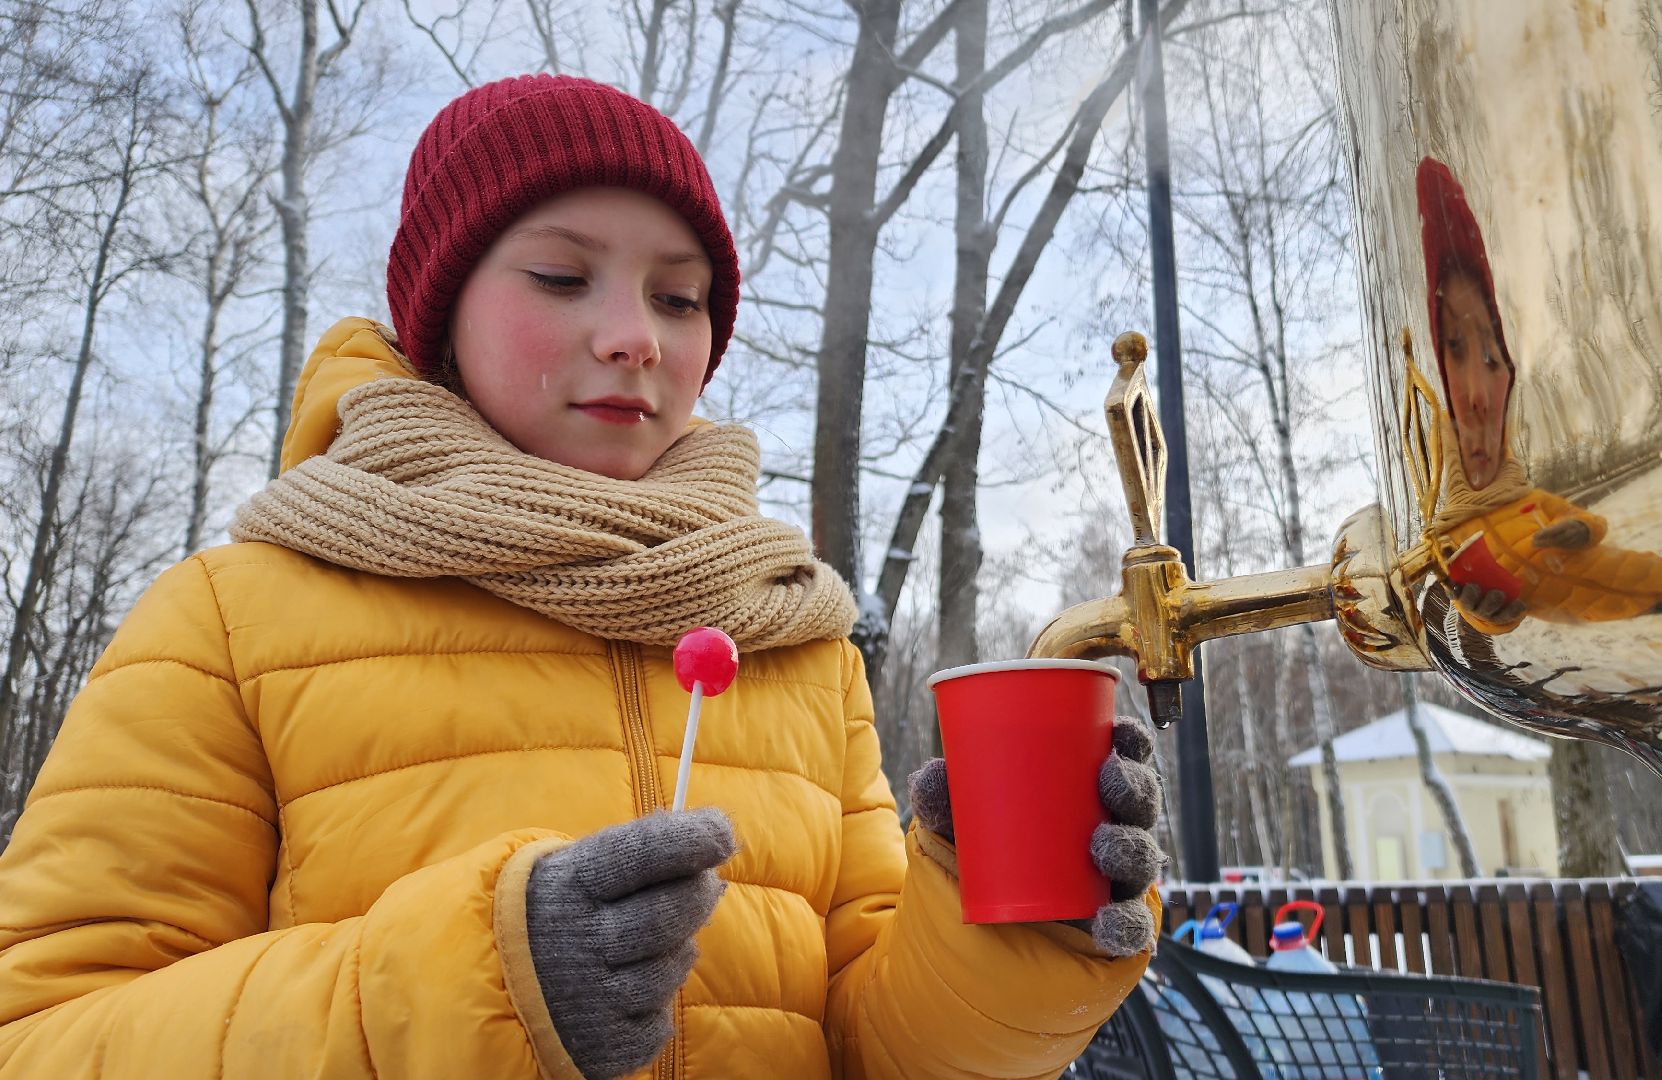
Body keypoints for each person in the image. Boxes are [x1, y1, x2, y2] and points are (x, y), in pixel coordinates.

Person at [0, 75, 1164, 1078]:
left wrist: (1008, 928)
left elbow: (872, 1047)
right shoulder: (235, 617)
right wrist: (476, 985)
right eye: (561, 277)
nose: (634, 337)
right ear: (442, 312)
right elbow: (40, 1037)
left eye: (678, 297)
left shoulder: (789, 635)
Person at [1416, 157, 1662, 637]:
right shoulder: (1451, 538)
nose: (1476, 395)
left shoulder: (1526, 496)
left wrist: (1581, 531)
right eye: (1455, 350)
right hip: (1610, 624)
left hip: (1639, 576)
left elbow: (1586, 520)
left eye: (1492, 357)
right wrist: (1487, 616)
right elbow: (1478, 612)